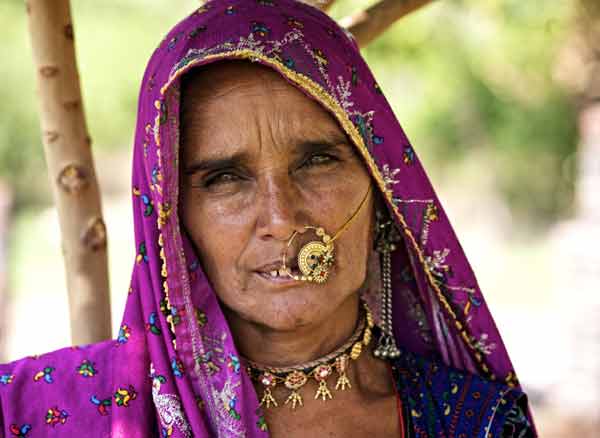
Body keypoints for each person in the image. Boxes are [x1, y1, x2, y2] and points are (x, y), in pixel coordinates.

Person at [0, 0, 536, 436]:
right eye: (225, 178)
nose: (281, 218)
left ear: (381, 187)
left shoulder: (476, 422)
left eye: (318, 161)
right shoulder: (40, 411)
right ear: (171, 223)